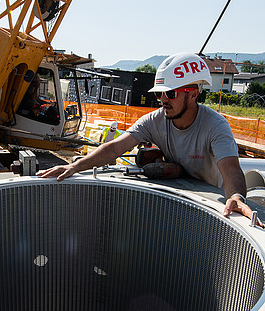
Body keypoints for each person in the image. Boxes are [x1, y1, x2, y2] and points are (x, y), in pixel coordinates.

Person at [38, 52, 263, 227]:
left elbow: (231, 168)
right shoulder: (154, 121)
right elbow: (115, 147)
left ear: (193, 94)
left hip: (212, 202)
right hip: (181, 192)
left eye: (171, 94)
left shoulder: (216, 126)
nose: (163, 100)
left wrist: (235, 196)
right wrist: (76, 166)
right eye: (159, 94)